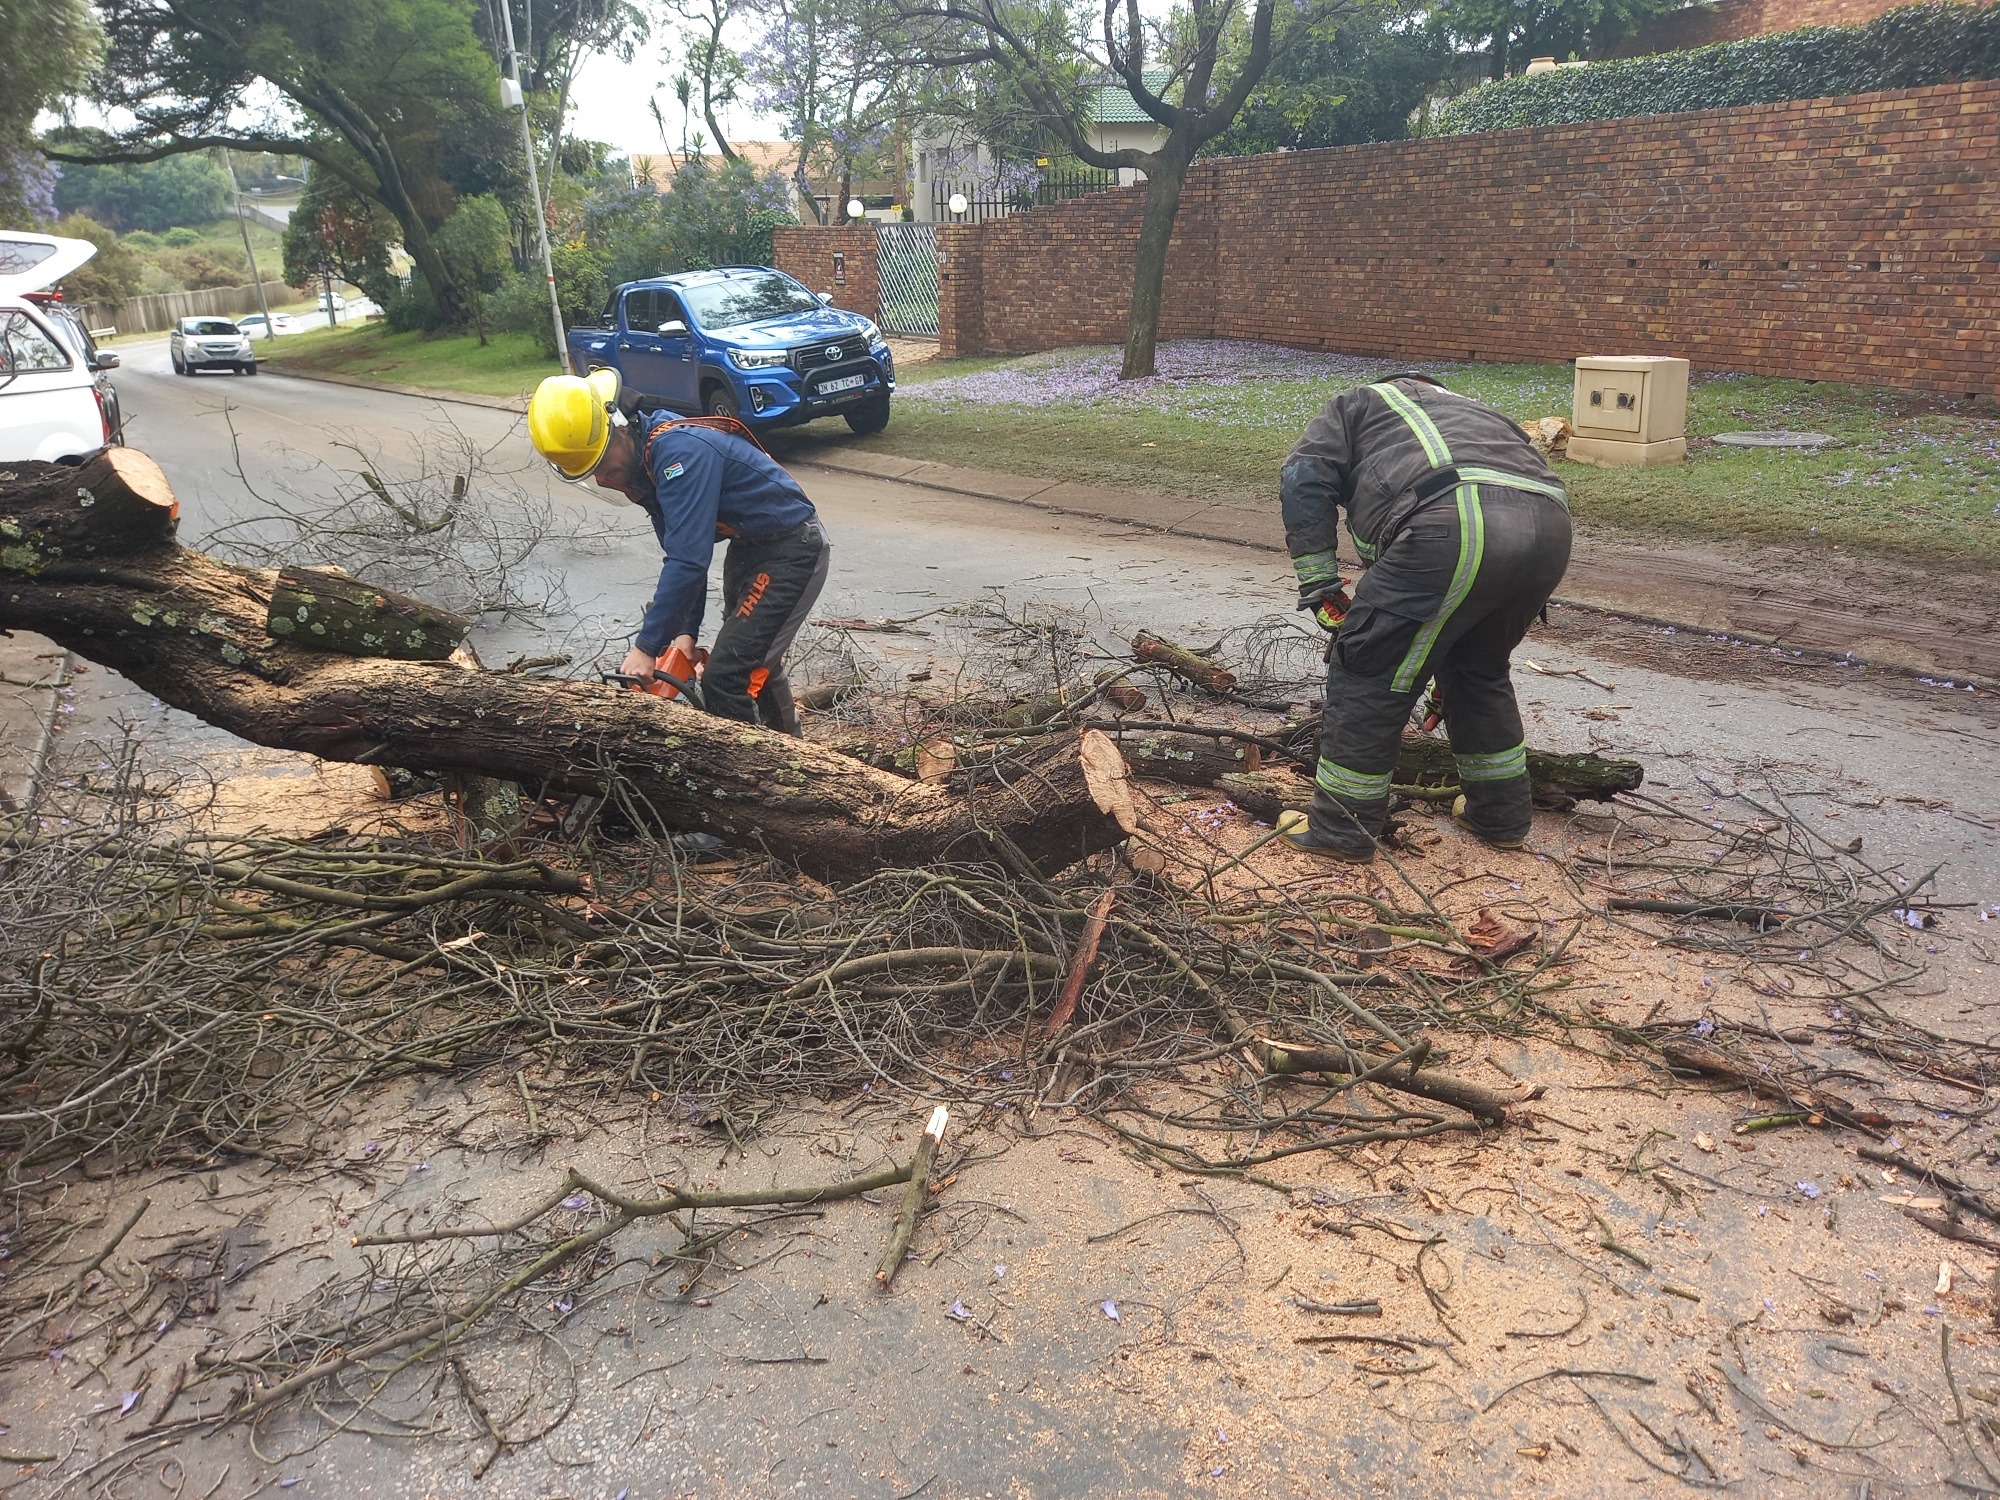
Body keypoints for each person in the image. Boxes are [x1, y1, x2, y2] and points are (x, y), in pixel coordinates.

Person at [1276, 374, 1572, 862]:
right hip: (1549, 530)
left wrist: (1319, 584)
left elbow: (1303, 477)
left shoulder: (1359, 403)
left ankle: (1340, 829)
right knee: (1478, 673)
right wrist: (1447, 644)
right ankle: (1500, 819)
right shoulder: (1480, 413)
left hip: (1451, 518)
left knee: (1367, 667)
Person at [526, 369, 829, 734]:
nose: (603, 478)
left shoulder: (679, 454)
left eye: (603, 463)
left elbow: (688, 561)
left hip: (792, 547)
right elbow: (683, 555)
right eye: (592, 471)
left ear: (620, 428)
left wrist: (647, 647)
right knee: (752, 657)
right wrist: (685, 635)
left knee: (727, 677)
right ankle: (793, 748)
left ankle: (754, 777)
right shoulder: (648, 468)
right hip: (750, 547)